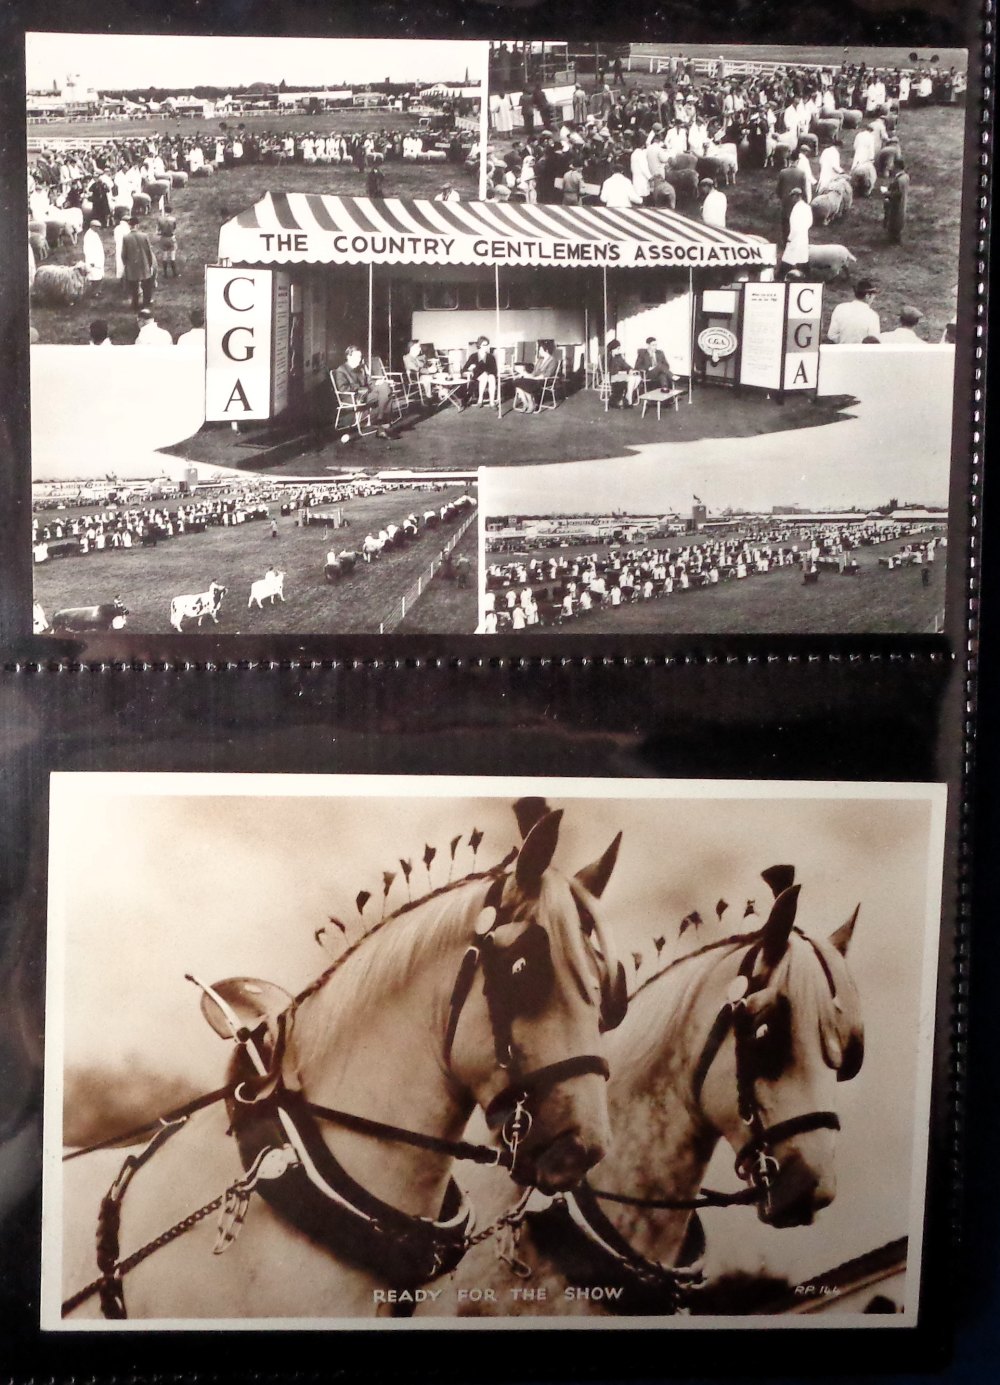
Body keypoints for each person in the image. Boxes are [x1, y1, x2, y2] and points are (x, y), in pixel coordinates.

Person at [334, 345, 393, 438]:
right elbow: (342, 388)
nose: (359, 359)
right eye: (357, 356)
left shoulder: (361, 368)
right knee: (386, 394)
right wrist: (359, 388)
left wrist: (377, 383)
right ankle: (381, 423)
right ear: (349, 357)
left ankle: (381, 422)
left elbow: (369, 383)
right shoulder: (341, 370)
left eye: (360, 356)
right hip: (352, 397)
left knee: (385, 387)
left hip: (365, 394)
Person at [827, 278, 881, 343]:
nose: (873, 298)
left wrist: (845, 341)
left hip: (842, 351)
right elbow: (873, 342)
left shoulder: (840, 308)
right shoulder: (873, 316)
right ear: (867, 296)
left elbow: (831, 335)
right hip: (861, 352)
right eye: (873, 295)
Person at [121, 216, 157, 311]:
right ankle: (146, 304)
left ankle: (135, 305)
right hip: (144, 264)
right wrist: (150, 264)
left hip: (132, 266)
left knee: (134, 287)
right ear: (137, 225)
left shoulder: (126, 237)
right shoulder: (144, 236)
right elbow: (148, 251)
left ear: (130, 226)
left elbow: (123, 254)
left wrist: (126, 264)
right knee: (147, 286)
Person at [513, 339, 558, 413]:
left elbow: (548, 374)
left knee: (523, 384)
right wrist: (527, 374)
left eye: (540, 349)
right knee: (517, 382)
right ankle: (525, 403)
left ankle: (531, 403)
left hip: (544, 381)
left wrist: (534, 378)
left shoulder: (553, 361)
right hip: (534, 379)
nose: (539, 351)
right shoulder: (540, 360)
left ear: (546, 350)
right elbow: (534, 372)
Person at [778, 187, 812, 279]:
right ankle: (808, 278)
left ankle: (779, 278)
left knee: (788, 259)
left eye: (793, 196)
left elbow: (795, 225)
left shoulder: (797, 209)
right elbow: (810, 222)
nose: (792, 199)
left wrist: (790, 237)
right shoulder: (807, 207)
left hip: (796, 237)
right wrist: (803, 230)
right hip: (803, 237)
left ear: (797, 196)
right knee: (802, 258)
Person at [462, 336, 499, 407]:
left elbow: (494, 370)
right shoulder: (473, 356)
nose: (486, 347)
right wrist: (470, 368)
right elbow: (465, 369)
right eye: (484, 345)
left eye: (487, 345)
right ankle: (480, 399)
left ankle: (492, 402)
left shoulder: (491, 357)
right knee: (484, 376)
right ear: (479, 345)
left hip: (489, 375)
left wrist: (490, 374)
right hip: (477, 375)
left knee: (492, 378)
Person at [605, 338, 640, 407]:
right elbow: (609, 370)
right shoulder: (608, 357)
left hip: (620, 375)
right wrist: (623, 372)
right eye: (618, 348)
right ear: (613, 349)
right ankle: (629, 399)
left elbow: (625, 364)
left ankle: (627, 395)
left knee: (638, 377)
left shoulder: (619, 356)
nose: (619, 350)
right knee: (632, 379)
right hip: (612, 376)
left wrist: (630, 370)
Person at [883, 158, 910, 243]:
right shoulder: (905, 177)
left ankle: (893, 239)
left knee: (894, 220)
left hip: (896, 205)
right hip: (902, 203)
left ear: (897, 167)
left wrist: (886, 193)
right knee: (899, 220)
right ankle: (896, 237)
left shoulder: (899, 179)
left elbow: (897, 194)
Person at [82, 219, 105, 298]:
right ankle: (94, 293)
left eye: (99, 227)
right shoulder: (88, 236)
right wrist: (91, 261)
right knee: (94, 277)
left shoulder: (94, 234)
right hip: (93, 260)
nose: (98, 229)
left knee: (99, 275)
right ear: (92, 227)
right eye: (97, 227)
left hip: (98, 258)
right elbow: (87, 249)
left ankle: (97, 291)